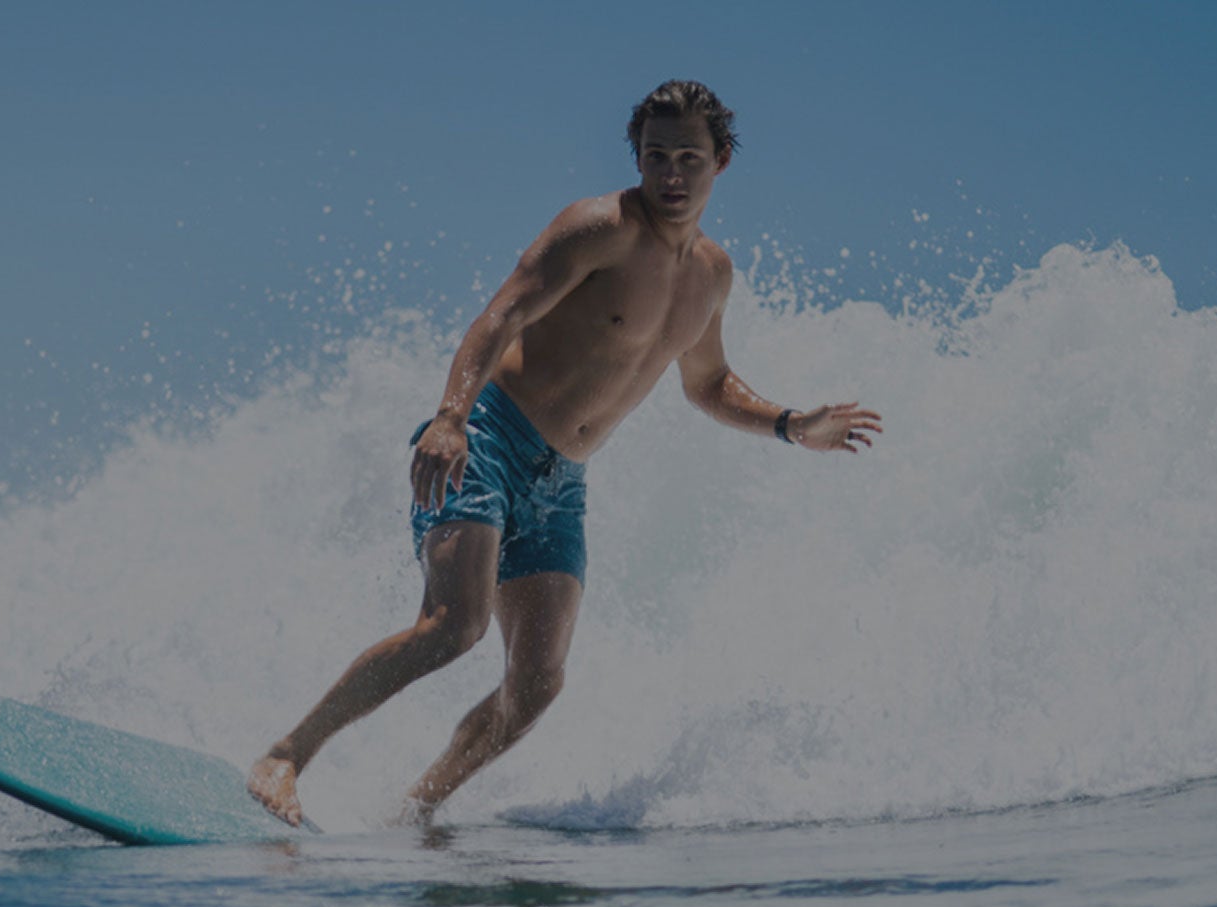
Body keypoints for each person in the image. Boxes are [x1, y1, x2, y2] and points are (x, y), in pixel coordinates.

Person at [247, 80, 881, 827]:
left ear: (722, 161)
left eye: (689, 158)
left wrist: (790, 424)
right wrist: (449, 417)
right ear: (637, 158)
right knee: (453, 626)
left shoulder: (712, 274)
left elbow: (707, 383)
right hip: (488, 440)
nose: (672, 175)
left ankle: (413, 812)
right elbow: (502, 313)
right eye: (656, 156)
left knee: (536, 685)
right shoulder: (598, 228)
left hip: (562, 483)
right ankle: (287, 754)